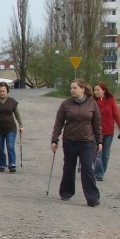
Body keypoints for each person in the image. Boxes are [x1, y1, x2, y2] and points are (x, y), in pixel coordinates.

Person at [50, 79, 103, 207]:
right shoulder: (65, 104)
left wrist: (99, 140)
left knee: (87, 169)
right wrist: (54, 139)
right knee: (68, 167)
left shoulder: (92, 104)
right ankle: (66, 192)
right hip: (70, 141)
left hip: (87, 141)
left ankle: (92, 198)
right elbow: (59, 123)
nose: (72, 90)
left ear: (83, 89)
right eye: (71, 88)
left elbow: (97, 123)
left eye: (74, 88)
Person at [92, 81, 120, 181]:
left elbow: (116, 115)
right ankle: (99, 174)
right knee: (98, 153)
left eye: (98, 90)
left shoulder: (110, 100)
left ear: (104, 91)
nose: (96, 92)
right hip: (96, 132)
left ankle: (101, 172)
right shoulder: (92, 101)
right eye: (94, 90)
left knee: (105, 155)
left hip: (108, 132)